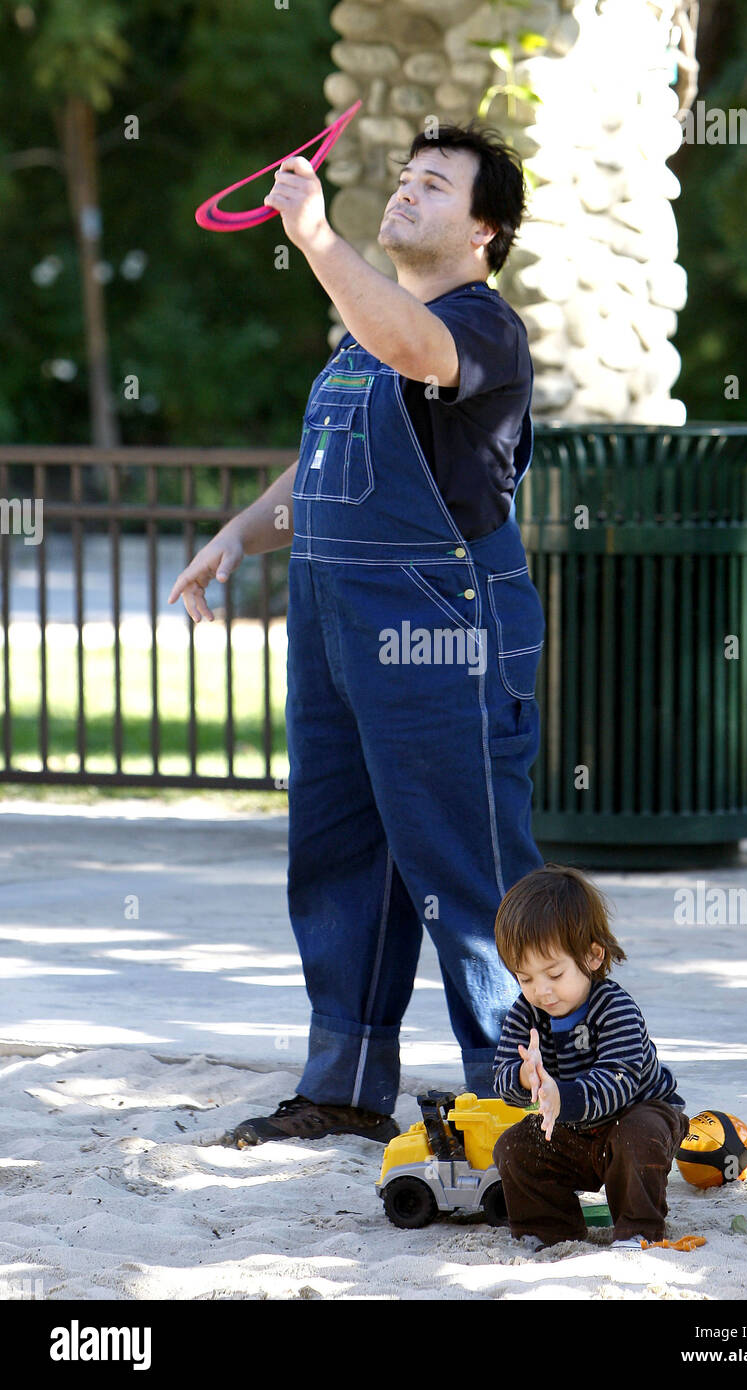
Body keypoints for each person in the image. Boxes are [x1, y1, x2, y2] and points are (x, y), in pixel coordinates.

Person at [168, 121, 546, 1144]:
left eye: (436, 184)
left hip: (442, 639)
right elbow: (324, 464)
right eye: (405, 178)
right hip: (337, 639)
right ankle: (340, 1086)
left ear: (484, 230)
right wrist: (239, 535)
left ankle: (514, 1099)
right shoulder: (360, 332)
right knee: (337, 860)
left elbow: (414, 352)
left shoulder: (479, 328)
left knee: (466, 873)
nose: (407, 193)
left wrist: (317, 240)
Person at [491, 863, 690, 1248]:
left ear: (593, 956)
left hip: (639, 1111)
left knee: (637, 1137)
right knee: (513, 1147)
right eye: (525, 977)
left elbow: (618, 1080)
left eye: (554, 973)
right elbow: (501, 1075)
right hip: (574, 1128)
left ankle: (638, 1231)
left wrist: (561, 1097)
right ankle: (549, 1232)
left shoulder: (615, 1009)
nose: (541, 991)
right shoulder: (526, 1012)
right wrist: (524, 1077)